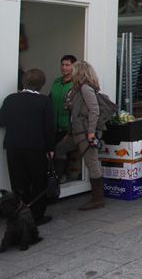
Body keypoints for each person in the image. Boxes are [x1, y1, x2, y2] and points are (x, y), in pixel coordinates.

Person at [0, 69, 55, 226]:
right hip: (36, 147)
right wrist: (50, 148)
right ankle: (36, 216)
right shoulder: (44, 101)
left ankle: (18, 213)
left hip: (13, 146)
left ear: (23, 82)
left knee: (18, 183)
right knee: (38, 182)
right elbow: (49, 128)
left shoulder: (11, 99)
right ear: (42, 85)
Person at [54, 61, 105, 211]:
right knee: (60, 149)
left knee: (92, 162)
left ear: (80, 72)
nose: (70, 72)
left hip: (85, 133)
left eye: (74, 70)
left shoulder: (85, 88)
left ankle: (98, 198)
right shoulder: (77, 89)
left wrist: (91, 132)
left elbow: (94, 110)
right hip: (77, 131)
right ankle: (57, 180)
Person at [49, 55, 76, 144]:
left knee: (71, 155)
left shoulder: (77, 83)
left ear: (74, 66)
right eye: (62, 65)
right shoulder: (56, 81)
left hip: (69, 128)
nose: (64, 67)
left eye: (67, 65)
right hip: (54, 126)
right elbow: (50, 99)